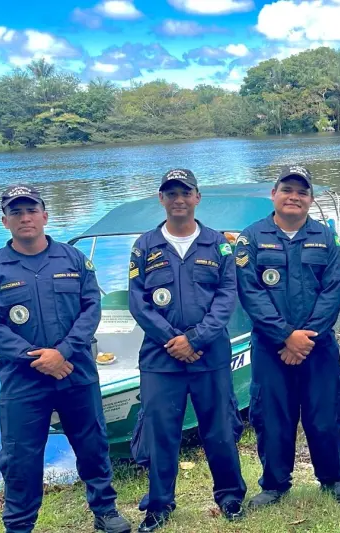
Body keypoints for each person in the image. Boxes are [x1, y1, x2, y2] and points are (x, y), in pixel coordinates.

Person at [0, 185, 131, 533]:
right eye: (16, 212)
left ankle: (105, 510)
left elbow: (91, 309)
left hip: (75, 371)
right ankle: (19, 524)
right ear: (5, 221)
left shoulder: (74, 260)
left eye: (31, 210)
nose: (25, 218)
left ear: (45, 215)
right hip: (22, 380)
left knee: (92, 445)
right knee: (19, 457)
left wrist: (63, 352)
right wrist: (37, 358)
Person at [128, 169, 246, 531]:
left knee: (220, 429)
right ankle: (159, 505)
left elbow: (227, 297)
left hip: (210, 355)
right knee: (161, 433)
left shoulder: (218, 244)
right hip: (160, 359)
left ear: (197, 197)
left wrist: (195, 339)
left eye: (185, 192)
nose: (178, 199)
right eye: (171, 193)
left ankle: (230, 497)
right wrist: (172, 340)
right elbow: (138, 302)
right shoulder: (144, 246)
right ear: (161, 199)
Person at [235, 165, 340, 508]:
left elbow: (333, 291)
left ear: (310, 199)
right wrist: (285, 336)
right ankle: (275, 484)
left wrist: (305, 338)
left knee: (325, 413)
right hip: (271, 347)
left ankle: (332, 478)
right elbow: (250, 293)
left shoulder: (327, 239)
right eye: (287, 190)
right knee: (271, 416)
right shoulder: (250, 238)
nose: (294, 197)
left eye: (302, 192)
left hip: (318, 346)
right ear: (273, 194)